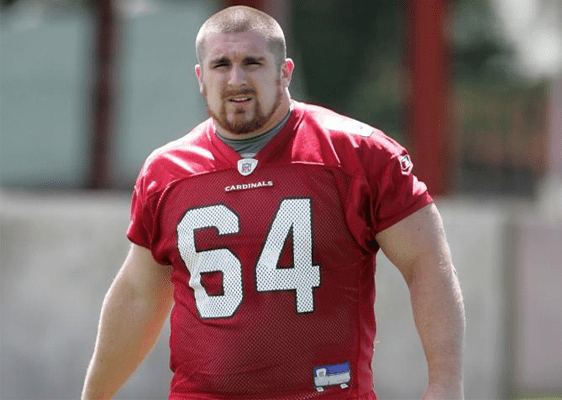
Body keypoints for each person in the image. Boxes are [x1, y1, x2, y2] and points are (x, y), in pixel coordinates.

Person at [82, 6, 465, 400]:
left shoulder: (358, 154)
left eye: (252, 62)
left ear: (285, 72)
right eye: (221, 64)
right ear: (200, 77)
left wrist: (445, 384)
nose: (236, 78)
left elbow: (427, 263)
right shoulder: (167, 172)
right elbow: (138, 296)